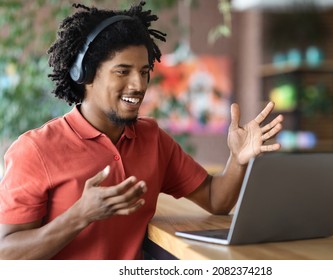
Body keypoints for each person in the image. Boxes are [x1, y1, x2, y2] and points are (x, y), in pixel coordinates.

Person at [0, 1, 283, 260]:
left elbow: (215, 199)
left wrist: (238, 158)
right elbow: (6, 254)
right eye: (122, 71)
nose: (139, 84)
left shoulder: (152, 139)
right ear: (85, 75)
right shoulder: (35, 150)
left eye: (144, 71)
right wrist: (79, 215)